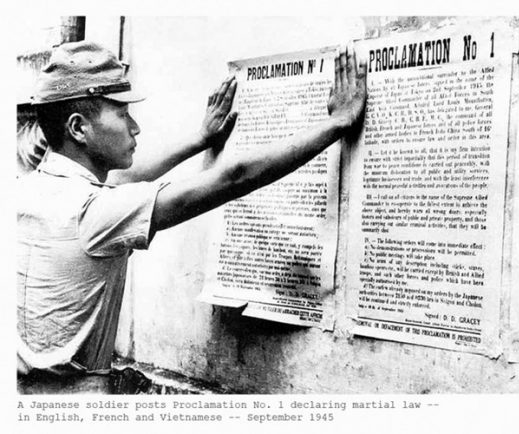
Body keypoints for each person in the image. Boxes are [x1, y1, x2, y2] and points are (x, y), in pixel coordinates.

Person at [17, 40, 366, 393]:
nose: (135, 128)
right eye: (122, 115)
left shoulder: (28, 191)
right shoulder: (94, 211)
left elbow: (122, 180)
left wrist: (201, 139)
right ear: (78, 129)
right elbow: (236, 176)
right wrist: (336, 124)